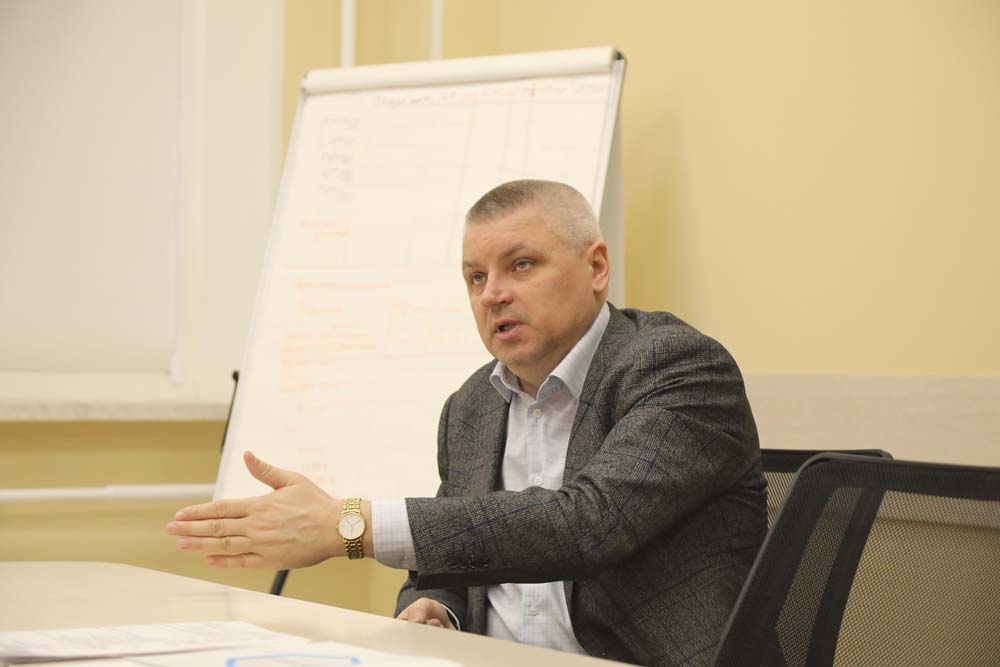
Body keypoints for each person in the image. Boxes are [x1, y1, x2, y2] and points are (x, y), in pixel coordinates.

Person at [167, 179, 767, 666]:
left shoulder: (677, 367)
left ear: (597, 268)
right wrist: (437, 607)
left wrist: (350, 525)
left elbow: (586, 525)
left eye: (521, 265)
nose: (491, 295)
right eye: (476, 277)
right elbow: (447, 563)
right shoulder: (471, 406)